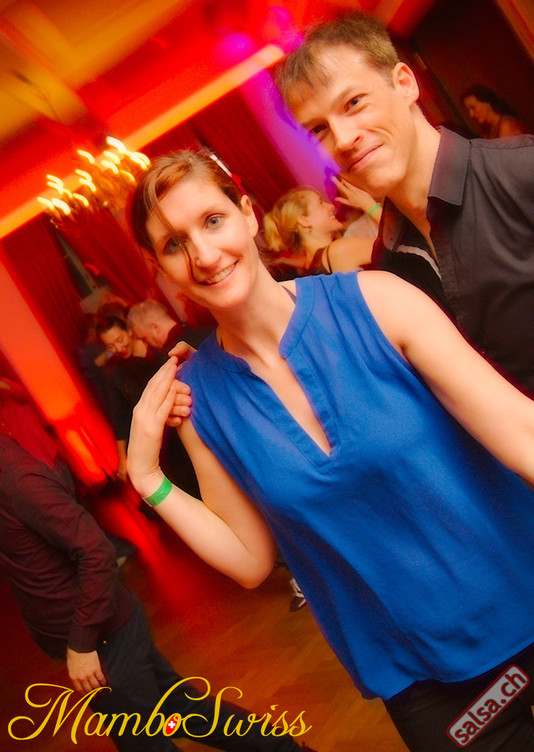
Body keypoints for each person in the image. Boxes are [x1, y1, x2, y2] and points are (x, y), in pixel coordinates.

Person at [125, 149, 534, 752]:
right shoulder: (201, 400)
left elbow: (521, 431)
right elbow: (250, 560)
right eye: (174, 244)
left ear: (247, 214)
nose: (205, 255)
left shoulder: (378, 301)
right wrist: (146, 476)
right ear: (158, 267)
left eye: (213, 221)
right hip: (427, 680)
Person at [0, 431, 316, 752]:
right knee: (185, 712)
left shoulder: (20, 481)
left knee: (146, 743)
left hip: (102, 641)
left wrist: (81, 645)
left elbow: (96, 553)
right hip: (103, 634)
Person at [275, 12, 534, 395]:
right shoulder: (390, 263)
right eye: (319, 129)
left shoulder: (521, 171)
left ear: (404, 84)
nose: (342, 139)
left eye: (354, 103)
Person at [98, 312, 200, 499]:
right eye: (110, 346)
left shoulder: (156, 348)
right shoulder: (117, 374)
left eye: (120, 339)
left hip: (189, 420)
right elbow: (120, 418)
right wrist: (123, 459)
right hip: (167, 442)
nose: (118, 348)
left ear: (129, 331)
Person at [263, 186, 374, 278]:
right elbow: (385, 244)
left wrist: (282, 260)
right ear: (304, 221)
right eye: (321, 203)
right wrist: (370, 206)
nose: (331, 206)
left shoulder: (309, 265)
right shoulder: (340, 250)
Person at [128, 299, 211, 359]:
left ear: (155, 327)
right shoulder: (206, 332)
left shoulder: (170, 359)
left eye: (144, 339)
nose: (146, 345)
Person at [461, 84, 531, 139]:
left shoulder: (506, 125)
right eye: (468, 110)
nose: (471, 114)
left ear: (487, 102)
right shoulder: (490, 129)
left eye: (473, 108)